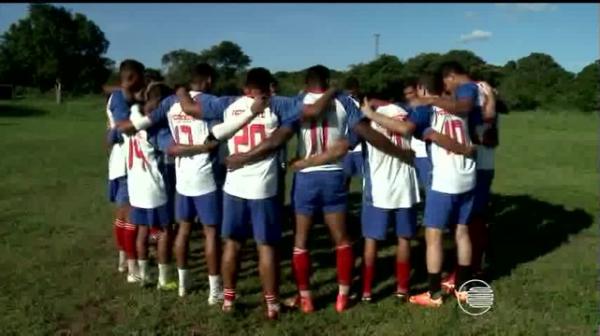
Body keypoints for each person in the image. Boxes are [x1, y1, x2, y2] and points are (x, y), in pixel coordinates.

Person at [226, 65, 415, 313]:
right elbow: (368, 134)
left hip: (305, 177)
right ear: (327, 81)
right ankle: (343, 297)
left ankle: (306, 298)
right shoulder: (343, 101)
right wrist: (401, 152)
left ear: (306, 83)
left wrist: (247, 156)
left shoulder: (298, 102)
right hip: (334, 175)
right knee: (341, 238)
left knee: (301, 240)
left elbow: (279, 137)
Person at [176, 67, 335, 320]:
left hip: (233, 186)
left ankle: (228, 299)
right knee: (266, 246)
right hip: (264, 187)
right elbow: (311, 111)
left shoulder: (228, 103)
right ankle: (272, 304)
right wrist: (332, 90)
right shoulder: (279, 104)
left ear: (245, 88)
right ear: (268, 86)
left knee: (233, 243)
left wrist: (181, 91)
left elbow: (191, 109)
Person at [360, 72, 477, 307]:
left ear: (422, 90)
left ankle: (434, 294)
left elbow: (404, 129)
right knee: (462, 231)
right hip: (468, 175)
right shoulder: (457, 108)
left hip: (445, 178)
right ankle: (463, 288)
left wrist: (370, 114)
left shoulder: (426, 108)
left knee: (433, 237)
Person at [359, 87, 420, 302]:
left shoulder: (367, 116)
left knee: (372, 239)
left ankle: (366, 291)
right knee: (403, 238)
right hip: (406, 184)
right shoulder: (404, 113)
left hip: (379, 185)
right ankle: (402, 288)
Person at [106, 59, 147, 283]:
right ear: (132, 78)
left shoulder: (123, 96)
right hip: (126, 162)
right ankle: (133, 268)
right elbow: (122, 129)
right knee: (130, 212)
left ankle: (123, 259)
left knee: (124, 212)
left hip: (125, 162)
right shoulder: (120, 98)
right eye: (141, 77)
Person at [403, 79, 432, 190]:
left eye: (411, 93)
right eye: (406, 94)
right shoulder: (406, 108)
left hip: (424, 154)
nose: (409, 96)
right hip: (412, 152)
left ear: (417, 91)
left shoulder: (425, 107)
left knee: (429, 186)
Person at [341, 76, 363, 188]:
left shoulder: (340, 100)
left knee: (343, 183)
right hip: (352, 146)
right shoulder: (347, 101)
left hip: (348, 147)